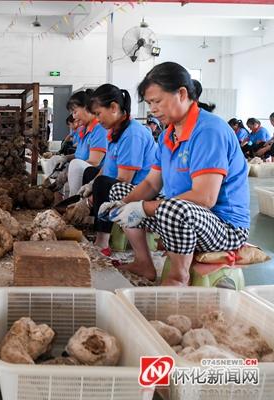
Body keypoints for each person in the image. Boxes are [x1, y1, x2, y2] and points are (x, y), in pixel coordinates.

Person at [100, 62, 249, 286]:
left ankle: (178, 276)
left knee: (172, 208)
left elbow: (204, 198)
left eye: (157, 101)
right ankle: (144, 263)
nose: (153, 109)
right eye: (150, 103)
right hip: (184, 217)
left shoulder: (209, 131)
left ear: (181, 93)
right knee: (120, 190)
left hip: (224, 226)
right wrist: (122, 204)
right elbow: (151, 184)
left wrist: (143, 208)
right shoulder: (167, 135)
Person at [73, 84, 156, 256]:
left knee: (103, 184)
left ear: (113, 108)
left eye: (98, 113)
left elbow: (124, 178)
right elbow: (107, 167)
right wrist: (90, 184)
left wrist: (90, 200)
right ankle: (92, 222)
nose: (97, 118)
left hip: (141, 188)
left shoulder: (132, 134)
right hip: (124, 183)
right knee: (91, 173)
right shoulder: (115, 132)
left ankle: (102, 241)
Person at [66, 89, 108, 196]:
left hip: (95, 175)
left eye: (75, 112)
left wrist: (68, 171)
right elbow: (79, 155)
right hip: (85, 172)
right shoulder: (83, 129)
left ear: (86, 107)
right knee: (58, 163)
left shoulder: (99, 129)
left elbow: (94, 162)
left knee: (75, 165)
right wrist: (65, 158)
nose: (74, 116)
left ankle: (73, 201)